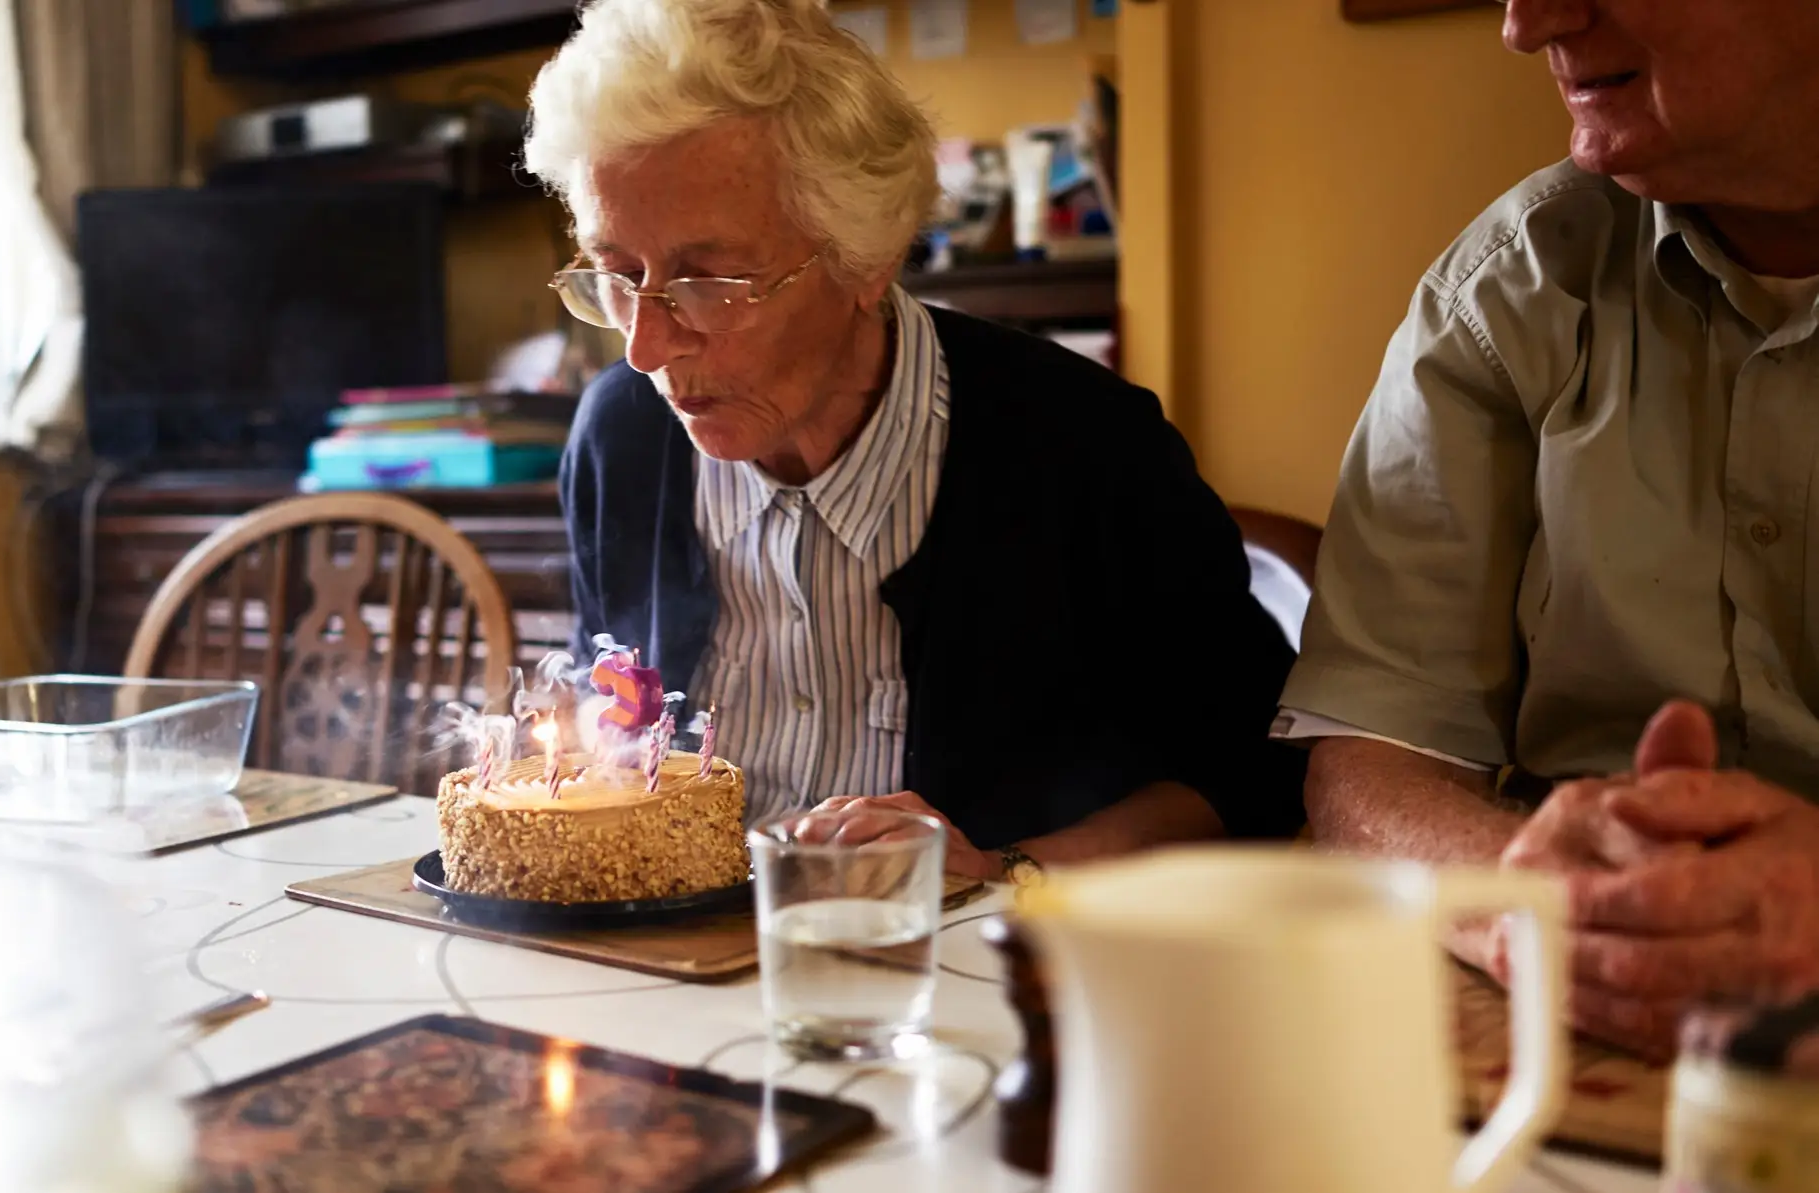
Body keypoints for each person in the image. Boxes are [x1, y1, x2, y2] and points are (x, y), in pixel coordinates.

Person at [532, 0, 1305, 882]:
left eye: (711, 280)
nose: (645, 347)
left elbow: (1254, 771)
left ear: (866, 259)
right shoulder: (620, 437)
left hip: (981, 978)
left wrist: (999, 865)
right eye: (618, 275)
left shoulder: (1083, 447)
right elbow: (615, 717)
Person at [1279, 0, 1819, 1056]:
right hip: (1575, 1031)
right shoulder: (1506, 287)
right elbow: (1366, 760)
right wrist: (1522, 902)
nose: (1527, 24)